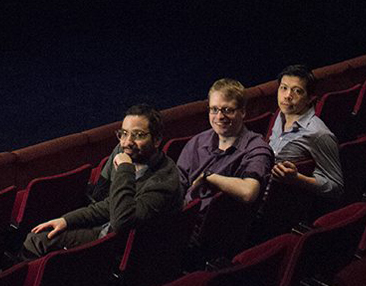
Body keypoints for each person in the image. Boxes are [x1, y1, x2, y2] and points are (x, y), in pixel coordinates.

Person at [22, 104, 183, 259]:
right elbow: (107, 202)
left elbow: (122, 221)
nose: (126, 142)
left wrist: (125, 169)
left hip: (122, 249)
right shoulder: (130, 156)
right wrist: (66, 220)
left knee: (36, 242)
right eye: (124, 133)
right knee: (40, 233)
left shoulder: (163, 181)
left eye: (138, 135)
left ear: (157, 140)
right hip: (110, 230)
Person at [177, 78, 274, 211]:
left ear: (243, 112)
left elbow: (249, 193)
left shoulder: (257, 149)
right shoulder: (197, 142)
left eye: (228, 110)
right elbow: (177, 186)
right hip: (185, 217)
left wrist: (210, 177)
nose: (220, 116)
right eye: (214, 109)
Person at [269, 65, 344, 200]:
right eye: (283, 88)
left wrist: (297, 178)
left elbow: (336, 187)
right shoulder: (281, 114)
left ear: (310, 98)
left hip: (279, 202)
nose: (287, 96)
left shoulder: (318, 133)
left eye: (297, 91)